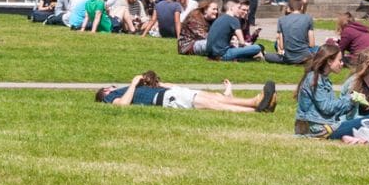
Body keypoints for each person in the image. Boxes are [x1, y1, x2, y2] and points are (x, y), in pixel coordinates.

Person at [96, 70, 277, 113]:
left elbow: (162, 84)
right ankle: (255, 104)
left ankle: (259, 106)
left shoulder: (124, 90)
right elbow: (123, 106)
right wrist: (134, 83)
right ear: (105, 91)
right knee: (210, 103)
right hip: (165, 99)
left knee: (213, 98)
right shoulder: (111, 96)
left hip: (170, 93)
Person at [294, 43, 355, 137]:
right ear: (330, 61)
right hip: (315, 128)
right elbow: (327, 108)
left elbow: (330, 109)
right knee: (362, 123)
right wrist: (350, 98)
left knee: (359, 124)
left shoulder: (322, 79)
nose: (342, 63)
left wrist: (352, 102)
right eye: (339, 60)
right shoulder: (314, 79)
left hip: (321, 125)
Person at [263, 0, 317, 65]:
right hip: (305, 57)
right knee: (319, 49)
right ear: (301, 7)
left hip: (288, 58)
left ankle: (263, 55)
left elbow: (281, 46)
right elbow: (312, 44)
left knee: (267, 56)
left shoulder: (281, 20)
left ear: (290, 7)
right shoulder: (308, 18)